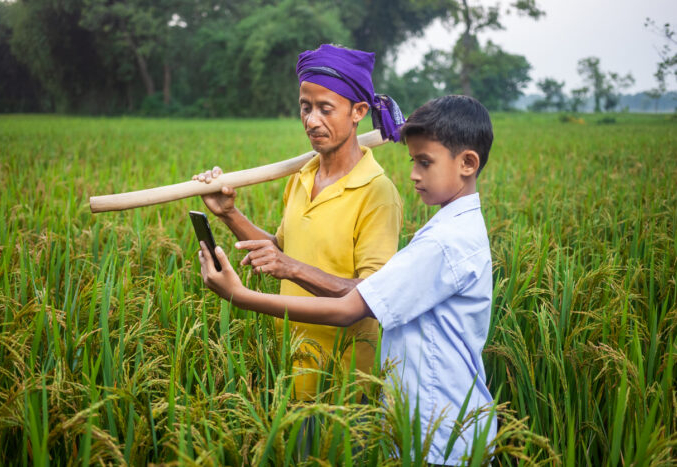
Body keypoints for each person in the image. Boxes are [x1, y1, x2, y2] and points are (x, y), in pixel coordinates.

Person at [198, 95, 497, 464]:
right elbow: (281, 249)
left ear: (468, 163)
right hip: (419, 425)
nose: (414, 174)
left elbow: (351, 306)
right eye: (413, 161)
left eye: (424, 162)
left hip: (439, 436)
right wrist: (229, 214)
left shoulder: (442, 242)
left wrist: (240, 296)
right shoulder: (448, 230)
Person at [192, 44, 404, 400]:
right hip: (290, 367)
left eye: (325, 108)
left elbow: (371, 297)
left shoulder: (377, 193)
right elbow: (280, 249)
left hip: (344, 383)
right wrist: (228, 212)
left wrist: (290, 269)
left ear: (359, 111)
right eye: (305, 107)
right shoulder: (302, 176)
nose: (311, 120)